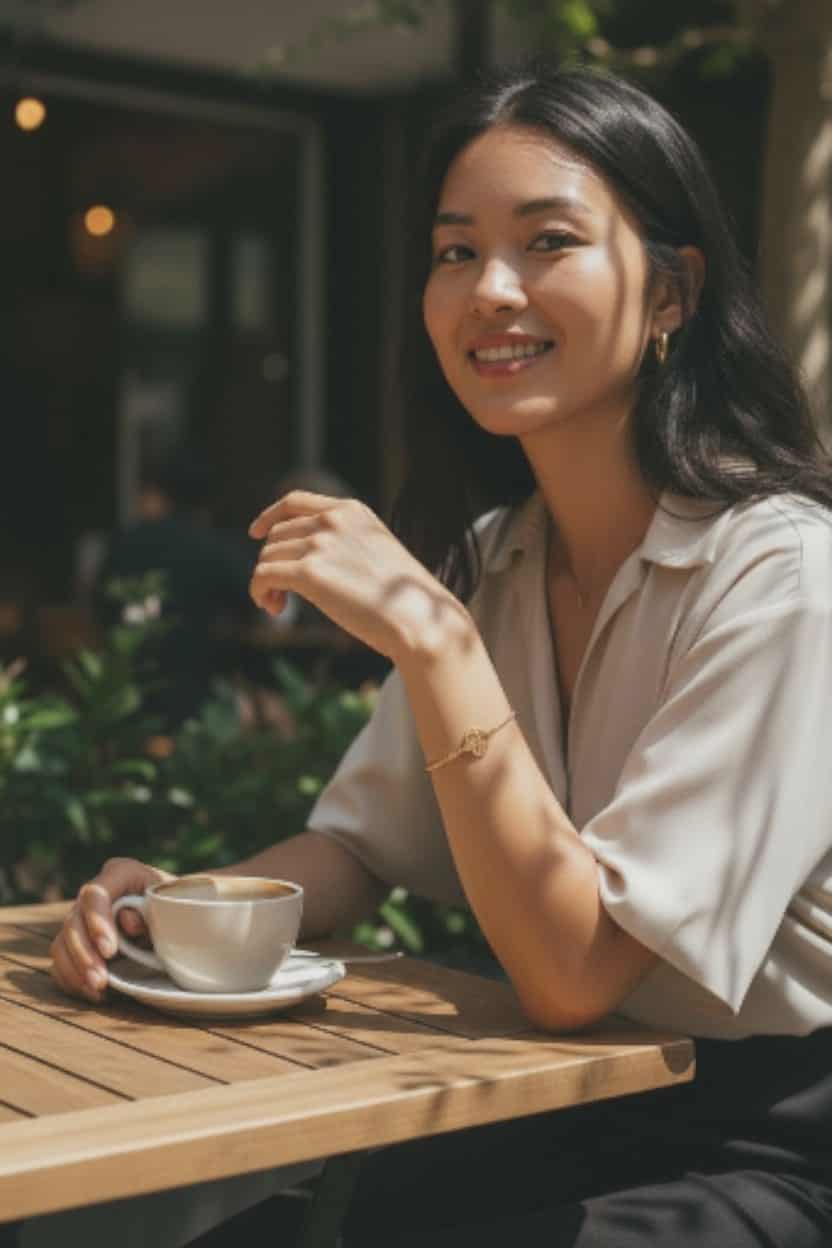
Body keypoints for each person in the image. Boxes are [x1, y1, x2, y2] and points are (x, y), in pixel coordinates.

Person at [49, 65, 832, 1248]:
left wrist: (430, 633)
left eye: (548, 241)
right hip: (533, 1106)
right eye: (455, 252)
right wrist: (168, 914)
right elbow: (361, 846)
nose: (490, 292)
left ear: (671, 291)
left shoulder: (783, 577)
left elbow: (574, 974)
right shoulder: (496, 553)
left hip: (762, 1146)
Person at [94, 449, 257, 729]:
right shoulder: (215, 548)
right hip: (198, 700)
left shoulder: (124, 544)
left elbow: (100, 609)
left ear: (157, 493)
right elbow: (258, 602)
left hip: (127, 702)